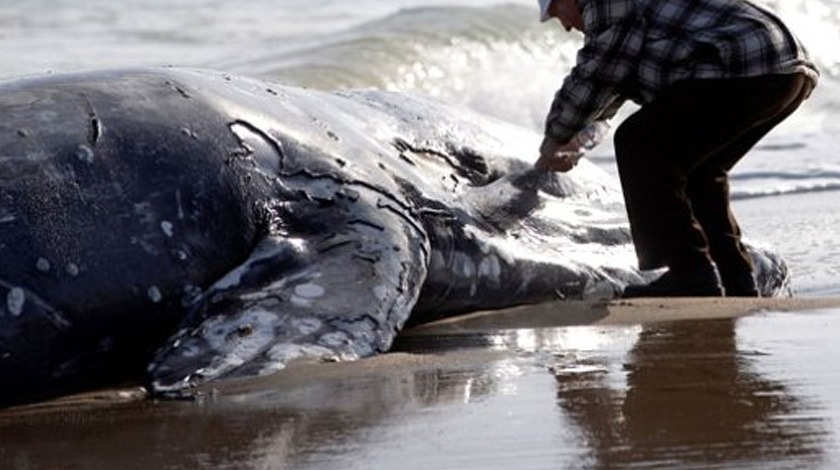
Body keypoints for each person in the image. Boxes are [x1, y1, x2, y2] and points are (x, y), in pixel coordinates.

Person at [534, 0, 818, 298]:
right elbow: (610, 92)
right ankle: (735, 277)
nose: (565, 27)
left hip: (748, 61)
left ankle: (690, 273)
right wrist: (578, 141)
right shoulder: (629, 18)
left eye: (556, 14)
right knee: (700, 170)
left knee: (637, 143)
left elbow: (595, 75)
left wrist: (552, 141)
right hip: (783, 70)